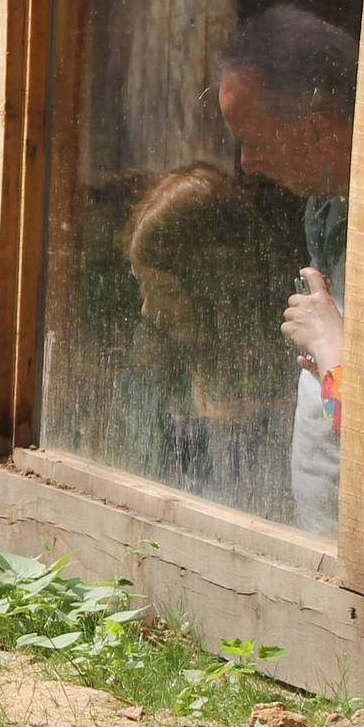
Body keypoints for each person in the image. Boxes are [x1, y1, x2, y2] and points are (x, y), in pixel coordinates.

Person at [215, 4, 357, 539]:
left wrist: (332, 348)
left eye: (256, 139)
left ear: (321, 131)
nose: (246, 163)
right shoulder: (325, 204)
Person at [118, 162, 303, 520]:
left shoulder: (276, 361)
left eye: (164, 290)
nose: (146, 309)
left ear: (215, 288)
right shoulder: (158, 349)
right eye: (143, 286)